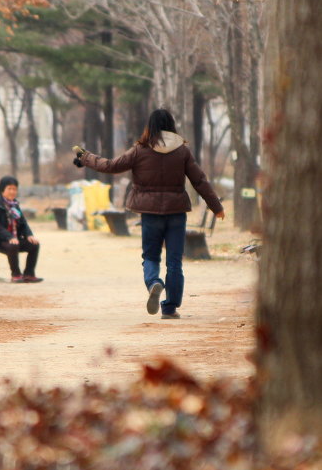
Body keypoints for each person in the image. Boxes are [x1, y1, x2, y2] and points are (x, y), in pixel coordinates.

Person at [73, 108, 224, 319]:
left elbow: (110, 166)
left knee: (151, 256)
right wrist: (216, 207)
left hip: (150, 212)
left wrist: (86, 157)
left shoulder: (139, 150)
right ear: (171, 126)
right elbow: (199, 180)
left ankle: (154, 283)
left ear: (150, 126)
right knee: (174, 262)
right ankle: (170, 308)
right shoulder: (182, 151)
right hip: (176, 212)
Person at [0, 175, 42, 283]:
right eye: (9, 189)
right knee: (13, 245)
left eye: (14, 189)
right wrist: (9, 236)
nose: (12, 192)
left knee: (34, 245)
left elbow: (23, 222)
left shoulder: (14, 204)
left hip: (13, 238)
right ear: (2, 189)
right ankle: (16, 275)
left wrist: (29, 235)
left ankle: (29, 274)